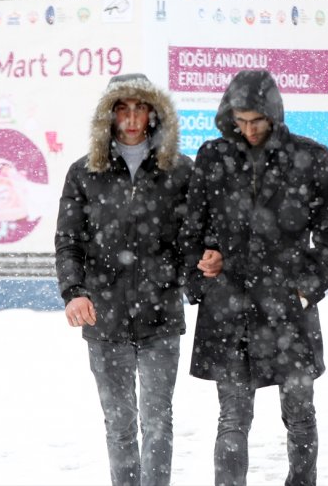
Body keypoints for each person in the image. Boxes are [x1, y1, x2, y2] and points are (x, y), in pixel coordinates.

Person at [179, 69, 328, 485]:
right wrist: (203, 262)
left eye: (257, 120)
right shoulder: (212, 157)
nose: (249, 130)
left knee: (300, 412)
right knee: (233, 416)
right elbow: (190, 231)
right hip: (229, 307)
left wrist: (306, 291)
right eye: (240, 121)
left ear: (274, 114)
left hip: (289, 307)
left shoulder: (311, 157)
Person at [55, 73, 194, 485]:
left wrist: (193, 280)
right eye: (122, 108)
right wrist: (74, 292)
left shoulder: (180, 171)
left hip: (161, 316)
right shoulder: (84, 173)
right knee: (119, 426)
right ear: (109, 115)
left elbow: (195, 240)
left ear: (154, 112)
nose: (132, 118)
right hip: (105, 319)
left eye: (140, 107)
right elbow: (68, 241)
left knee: (157, 423)